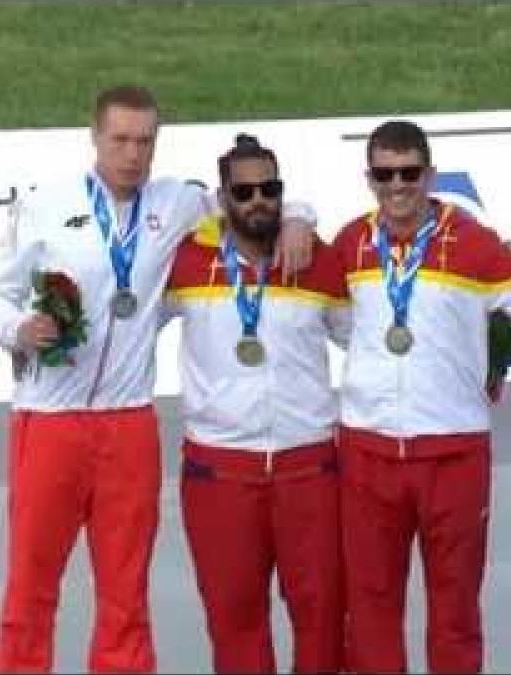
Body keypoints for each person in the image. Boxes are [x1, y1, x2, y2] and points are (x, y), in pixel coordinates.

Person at [0, 85, 318, 674]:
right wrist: (17, 328)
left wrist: (299, 218)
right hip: (49, 422)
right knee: (32, 586)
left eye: (145, 141)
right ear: (95, 138)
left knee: (126, 591)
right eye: (121, 140)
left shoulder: (177, 203)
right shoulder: (44, 205)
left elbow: (247, 203)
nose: (133, 154)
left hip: (128, 423)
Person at [330, 119, 511, 673]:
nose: (397, 185)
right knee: (370, 606)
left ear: (429, 173)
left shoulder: (471, 242)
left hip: (453, 454)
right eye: (384, 174)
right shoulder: (351, 242)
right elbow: (329, 318)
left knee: (455, 609)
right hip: (368, 451)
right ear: (368, 178)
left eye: (409, 173)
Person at [161, 134, 350, 674]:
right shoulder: (187, 261)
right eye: (243, 192)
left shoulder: (318, 260)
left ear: (283, 195)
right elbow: (124, 324)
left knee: (323, 618)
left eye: (269, 190)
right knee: (233, 619)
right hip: (220, 472)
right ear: (223, 200)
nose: (257, 201)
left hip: (309, 468)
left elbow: (366, 341)